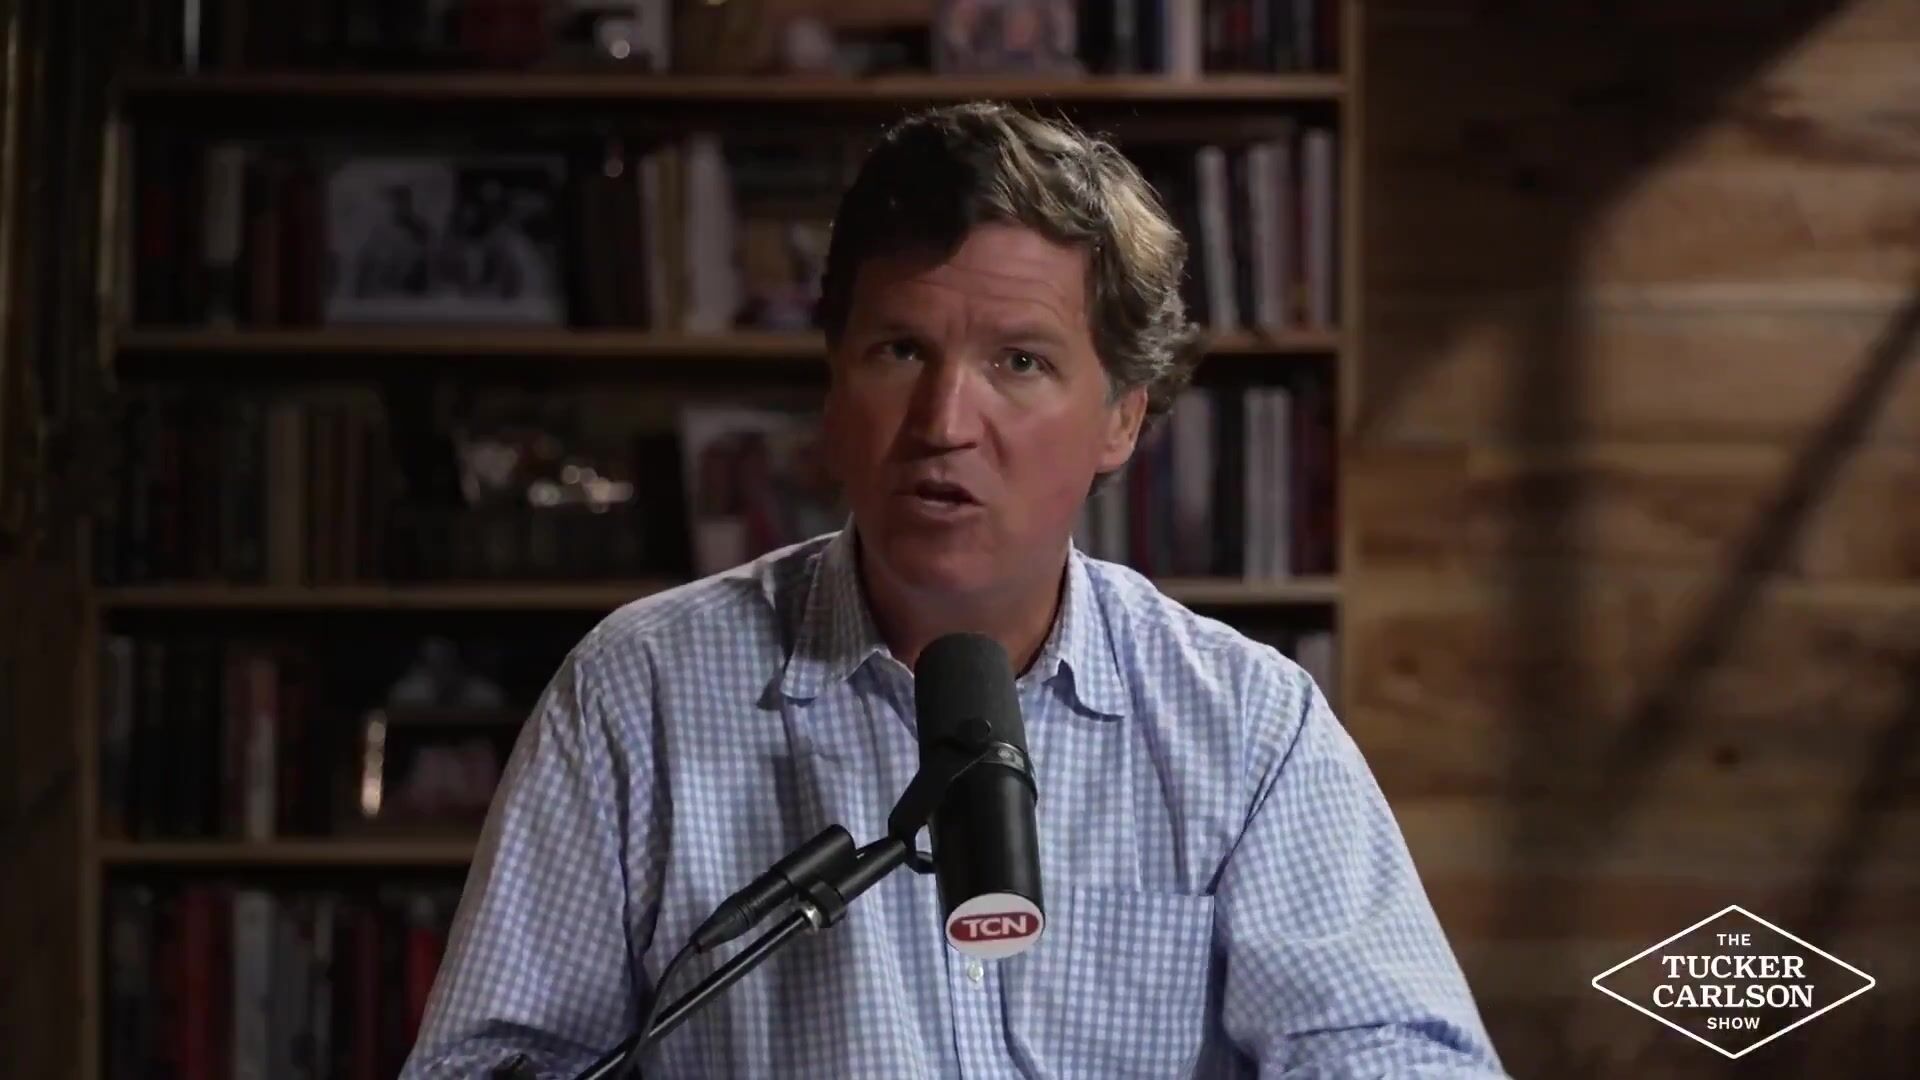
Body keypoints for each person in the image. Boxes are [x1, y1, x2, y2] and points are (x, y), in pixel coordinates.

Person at [400, 102, 1508, 1078]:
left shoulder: (1246, 725)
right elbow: (492, 1066)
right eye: (899, 352)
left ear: (1122, 418)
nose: (942, 424)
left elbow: (1401, 1056)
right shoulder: (636, 693)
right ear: (833, 389)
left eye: (1019, 362)